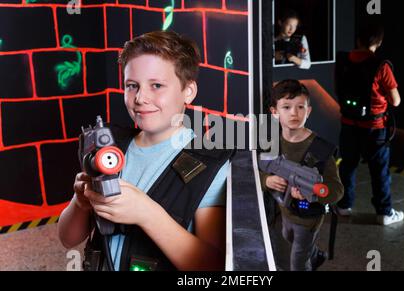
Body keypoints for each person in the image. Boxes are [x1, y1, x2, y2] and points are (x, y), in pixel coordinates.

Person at [58, 31, 234, 271]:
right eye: (132, 86)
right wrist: (80, 203)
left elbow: (212, 266)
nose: (140, 98)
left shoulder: (210, 165)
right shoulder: (107, 148)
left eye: (157, 85)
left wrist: (147, 214)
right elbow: (68, 239)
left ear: (188, 92)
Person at [259, 79, 343, 271]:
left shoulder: (321, 150)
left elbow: (337, 190)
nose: (294, 113)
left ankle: (309, 258)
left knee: (298, 262)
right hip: (287, 211)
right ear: (274, 112)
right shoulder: (272, 142)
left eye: (300, 107)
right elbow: (260, 169)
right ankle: (315, 255)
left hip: (308, 217)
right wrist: (267, 180)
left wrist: (316, 193)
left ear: (309, 111)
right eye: (286, 107)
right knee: (288, 235)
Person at [334, 23, 403, 225]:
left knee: (347, 166)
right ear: (379, 42)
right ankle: (384, 212)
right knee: (379, 170)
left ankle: (344, 206)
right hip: (374, 128)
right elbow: (396, 100)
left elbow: (338, 89)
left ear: (358, 40)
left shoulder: (342, 60)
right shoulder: (381, 65)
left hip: (348, 124)